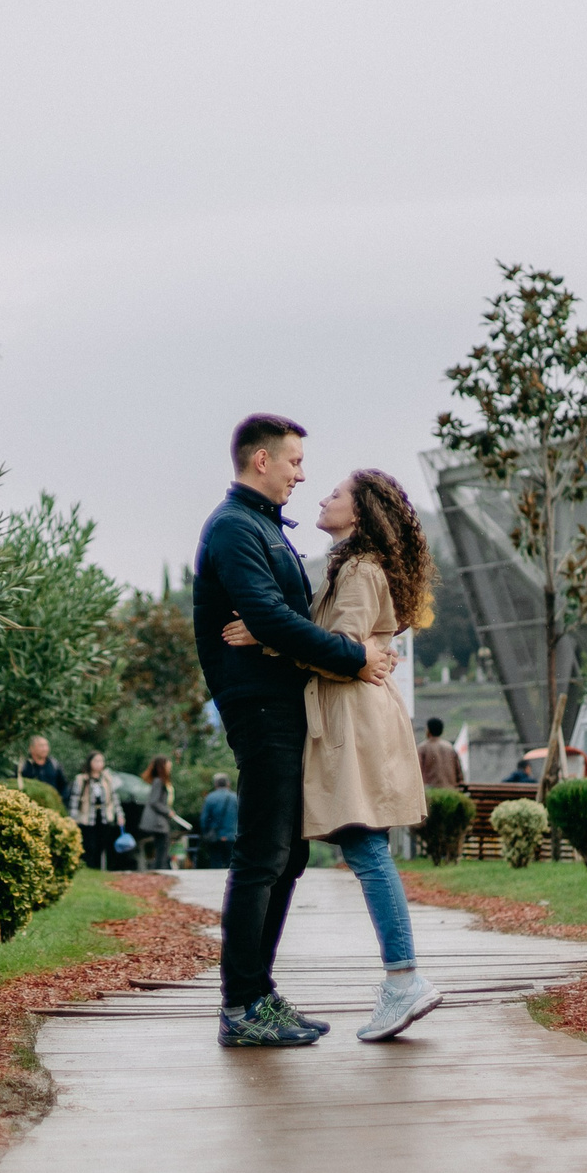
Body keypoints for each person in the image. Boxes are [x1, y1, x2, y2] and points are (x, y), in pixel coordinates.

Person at [194, 413, 398, 1049]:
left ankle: (259, 991)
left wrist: (285, 632)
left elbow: (281, 617)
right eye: (294, 462)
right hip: (259, 705)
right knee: (262, 853)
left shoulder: (265, 527)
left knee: (289, 854)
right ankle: (241, 1004)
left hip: (284, 701)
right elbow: (269, 615)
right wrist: (355, 657)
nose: (302, 475)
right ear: (262, 460)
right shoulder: (234, 527)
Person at [224, 468, 444, 1043]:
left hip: (354, 719)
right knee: (364, 845)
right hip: (351, 715)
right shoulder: (352, 566)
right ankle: (403, 979)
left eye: (337, 494)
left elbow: (341, 651)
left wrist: (267, 636)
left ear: (361, 511)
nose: (322, 497)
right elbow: (352, 645)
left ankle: (404, 979)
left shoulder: (361, 569)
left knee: (365, 845)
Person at [69, 751, 125, 869]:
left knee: (102, 845)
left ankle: (98, 869)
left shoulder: (107, 778)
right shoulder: (81, 779)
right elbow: (74, 800)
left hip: (104, 817)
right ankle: (89, 868)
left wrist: (120, 815)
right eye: (96, 761)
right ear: (90, 762)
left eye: (101, 761)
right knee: (89, 845)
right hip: (87, 818)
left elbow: (114, 798)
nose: (99, 764)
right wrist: (72, 819)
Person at [137, 756, 177, 870]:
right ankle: (160, 869)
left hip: (160, 820)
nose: (170, 767)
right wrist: (167, 811)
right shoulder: (158, 781)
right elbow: (154, 802)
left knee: (162, 847)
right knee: (162, 847)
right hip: (157, 821)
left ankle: (159, 869)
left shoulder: (162, 781)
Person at [197, 772, 239, 870]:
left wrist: (206, 832)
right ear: (228, 783)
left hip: (215, 836)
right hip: (232, 836)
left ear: (215, 784)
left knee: (215, 862)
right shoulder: (235, 797)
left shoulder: (210, 798)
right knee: (231, 863)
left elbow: (204, 819)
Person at [19, 735, 69, 811]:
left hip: (52, 808)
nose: (45, 749)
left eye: (46, 745)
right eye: (41, 746)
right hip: (29, 807)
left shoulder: (54, 765)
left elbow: (63, 785)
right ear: (31, 748)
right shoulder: (23, 766)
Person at [417, 716, 465, 792]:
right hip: (450, 792)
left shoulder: (422, 748)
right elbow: (460, 775)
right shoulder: (450, 747)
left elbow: (417, 772)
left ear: (428, 730)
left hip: (430, 793)